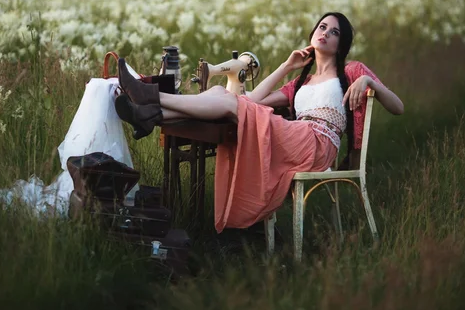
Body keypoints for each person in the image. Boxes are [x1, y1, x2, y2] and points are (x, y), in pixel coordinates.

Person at [114, 12, 404, 233]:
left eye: (335, 32)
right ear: (313, 33)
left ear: (342, 45)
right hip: (295, 137)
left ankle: (150, 100)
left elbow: (398, 107)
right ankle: (149, 114)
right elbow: (253, 100)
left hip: (316, 145)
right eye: (322, 27)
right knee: (222, 94)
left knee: (228, 101)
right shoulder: (300, 82)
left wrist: (368, 82)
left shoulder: (352, 71)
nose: (325, 33)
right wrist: (287, 66)